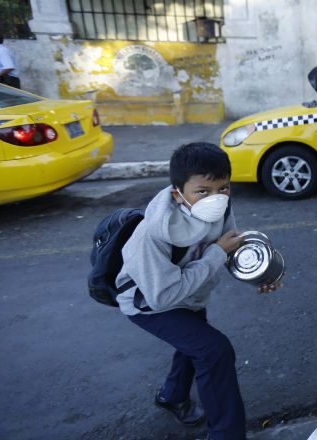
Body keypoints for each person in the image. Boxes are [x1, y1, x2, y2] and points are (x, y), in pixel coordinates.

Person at [116, 142, 279, 440]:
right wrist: (216, 253)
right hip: (149, 303)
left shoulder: (221, 205)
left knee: (193, 342)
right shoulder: (154, 234)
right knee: (213, 350)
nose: (215, 199)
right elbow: (163, 296)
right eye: (203, 191)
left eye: (224, 188)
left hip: (190, 295)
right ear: (179, 194)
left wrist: (263, 276)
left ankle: (172, 396)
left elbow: (232, 248)